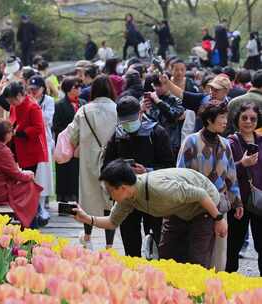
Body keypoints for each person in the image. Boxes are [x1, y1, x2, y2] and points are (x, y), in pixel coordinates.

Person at [75, 160, 226, 269]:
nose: (108, 194)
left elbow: (200, 194)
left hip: (205, 206)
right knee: (167, 256)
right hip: (178, 209)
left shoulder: (160, 190)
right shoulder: (127, 197)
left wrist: (218, 218)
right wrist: (86, 218)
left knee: (196, 260)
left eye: (109, 190)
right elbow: (112, 222)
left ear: (122, 187)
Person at [103, 96, 175, 257]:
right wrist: (122, 171)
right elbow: (106, 167)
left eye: (132, 120)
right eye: (125, 121)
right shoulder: (117, 136)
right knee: (130, 242)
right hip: (126, 196)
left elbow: (169, 166)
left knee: (157, 240)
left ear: (141, 113)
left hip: (153, 193)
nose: (128, 124)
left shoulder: (157, 132)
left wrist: (148, 171)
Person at [177, 103, 242, 271]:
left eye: (225, 117)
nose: (225, 121)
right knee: (197, 252)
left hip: (220, 204)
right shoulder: (191, 141)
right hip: (196, 204)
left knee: (219, 253)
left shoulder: (225, 144)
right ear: (208, 119)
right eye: (221, 117)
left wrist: (237, 202)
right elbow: (181, 173)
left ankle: (215, 291)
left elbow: (231, 176)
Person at [59, 75, 118, 249]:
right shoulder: (117, 109)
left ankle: (87, 237)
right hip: (111, 160)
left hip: (89, 161)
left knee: (88, 199)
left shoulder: (84, 111)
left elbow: (73, 135)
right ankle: (109, 244)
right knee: (110, 200)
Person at [0, 119, 41, 228]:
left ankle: (30, 221)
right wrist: (29, 174)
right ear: (5, 135)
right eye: (11, 131)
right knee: (31, 186)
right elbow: (18, 176)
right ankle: (29, 226)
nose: (12, 133)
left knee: (29, 186)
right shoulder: (3, 150)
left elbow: (9, 171)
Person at [4, 81, 49, 226]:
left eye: (12, 100)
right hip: (16, 145)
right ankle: (26, 210)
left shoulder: (33, 106)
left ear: (19, 95)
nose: (11, 103)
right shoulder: (15, 105)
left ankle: (34, 213)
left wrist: (22, 132)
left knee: (29, 182)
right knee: (19, 179)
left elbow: (38, 128)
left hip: (29, 149)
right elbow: (12, 120)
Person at [226, 102, 262, 273]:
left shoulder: (261, 141)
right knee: (233, 246)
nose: (248, 122)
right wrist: (243, 164)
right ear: (237, 119)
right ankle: (228, 285)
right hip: (237, 201)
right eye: (244, 118)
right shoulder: (230, 143)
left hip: (259, 201)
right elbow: (224, 171)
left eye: (253, 119)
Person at [28, 75, 54, 215]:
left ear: (43, 89)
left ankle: (42, 205)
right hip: (30, 141)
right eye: (31, 89)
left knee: (44, 174)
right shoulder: (27, 100)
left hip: (45, 140)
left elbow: (47, 119)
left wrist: (35, 107)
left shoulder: (48, 101)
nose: (33, 92)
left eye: (36, 89)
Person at [53, 77, 80, 207]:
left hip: (80, 145)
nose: (79, 89)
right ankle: (63, 203)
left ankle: (78, 202)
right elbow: (56, 125)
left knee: (77, 173)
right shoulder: (59, 105)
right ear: (69, 89)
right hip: (65, 144)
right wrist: (70, 135)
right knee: (64, 172)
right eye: (76, 87)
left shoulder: (83, 103)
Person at [143, 74, 185, 156]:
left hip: (171, 143)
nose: (157, 88)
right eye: (155, 85)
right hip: (152, 141)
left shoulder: (176, 99)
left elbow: (172, 116)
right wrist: (142, 110)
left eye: (160, 85)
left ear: (168, 83)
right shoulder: (149, 99)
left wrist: (158, 102)